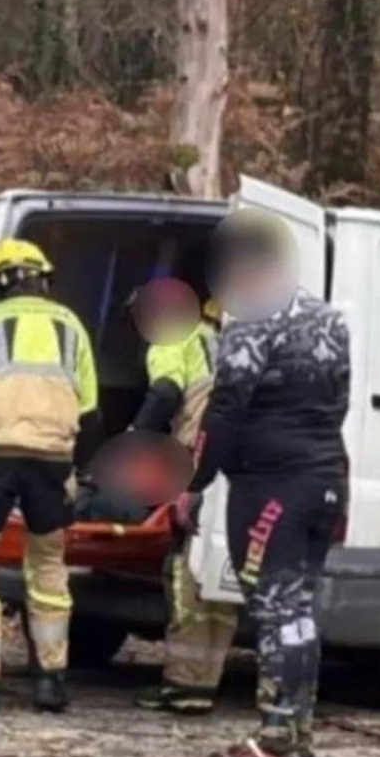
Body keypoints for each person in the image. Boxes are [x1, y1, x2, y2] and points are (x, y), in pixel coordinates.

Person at [193, 213, 351, 757]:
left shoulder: (249, 321)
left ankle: (275, 737)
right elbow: (339, 404)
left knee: (275, 608)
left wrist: (195, 480)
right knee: (300, 610)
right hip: (322, 479)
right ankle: (298, 734)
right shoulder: (329, 320)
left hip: (271, 489)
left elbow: (227, 406)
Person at [0, 239, 101, 717]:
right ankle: (50, 680)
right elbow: (91, 415)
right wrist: (81, 472)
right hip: (54, 463)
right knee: (50, 567)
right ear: (43, 279)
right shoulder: (73, 327)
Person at [123, 281, 239, 716]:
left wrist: (132, 439)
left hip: (197, 456)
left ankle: (182, 685)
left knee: (184, 570)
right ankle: (205, 681)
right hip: (236, 462)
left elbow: (166, 393)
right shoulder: (229, 343)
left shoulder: (175, 337)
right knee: (217, 569)